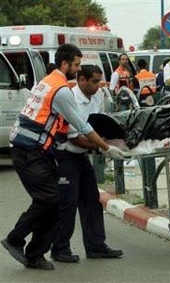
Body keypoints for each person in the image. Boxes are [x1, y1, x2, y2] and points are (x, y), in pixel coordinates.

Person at [2, 43, 127, 270]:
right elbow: (82, 126)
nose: (78, 70)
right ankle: (15, 239)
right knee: (49, 199)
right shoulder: (60, 90)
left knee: (54, 201)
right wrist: (106, 148)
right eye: (76, 65)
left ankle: (34, 254)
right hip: (29, 149)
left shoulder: (48, 82)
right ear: (65, 64)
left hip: (39, 149)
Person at [50, 65, 123, 263]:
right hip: (66, 155)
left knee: (91, 200)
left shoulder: (97, 96)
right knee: (68, 203)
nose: (98, 85)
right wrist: (103, 147)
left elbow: (96, 126)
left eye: (100, 81)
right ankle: (60, 248)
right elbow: (74, 136)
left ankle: (96, 245)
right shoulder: (70, 98)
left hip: (82, 156)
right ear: (82, 80)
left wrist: (110, 142)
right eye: (94, 81)